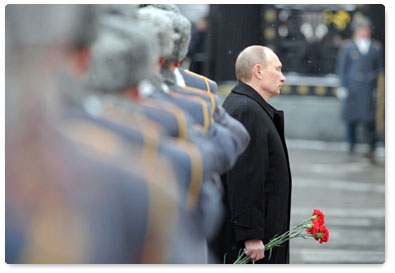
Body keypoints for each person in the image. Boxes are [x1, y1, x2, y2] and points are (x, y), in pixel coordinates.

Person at [210, 45, 292, 264]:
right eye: (278, 69)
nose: (283, 77)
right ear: (258, 71)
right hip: (253, 245)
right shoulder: (247, 109)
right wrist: (251, 235)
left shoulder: (249, 105)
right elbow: (245, 176)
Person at [336, 12, 384, 163]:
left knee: (370, 120)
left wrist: (380, 87)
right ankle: (351, 145)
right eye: (362, 29)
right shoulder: (349, 47)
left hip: (369, 88)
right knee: (351, 119)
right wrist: (342, 86)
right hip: (353, 88)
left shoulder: (376, 47)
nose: (364, 32)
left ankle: (372, 146)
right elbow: (342, 68)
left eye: (366, 29)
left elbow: (380, 69)